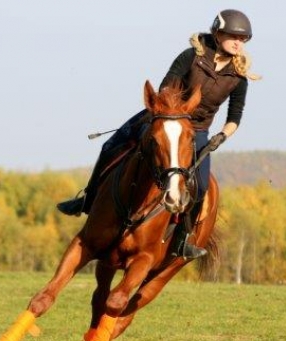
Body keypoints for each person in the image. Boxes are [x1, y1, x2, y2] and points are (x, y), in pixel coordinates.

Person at [57, 9, 260, 260]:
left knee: (202, 185)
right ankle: (86, 201)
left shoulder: (238, 78)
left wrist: (221, 136)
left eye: (243, 39)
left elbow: (234, 117)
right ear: (217, 34)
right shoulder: (191, 56)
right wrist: (169, 111)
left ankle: (183, 240)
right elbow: (166, 84)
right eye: (233, 36)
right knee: (111, 145)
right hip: (164, 116)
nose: (239, 43)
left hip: (197, 130)